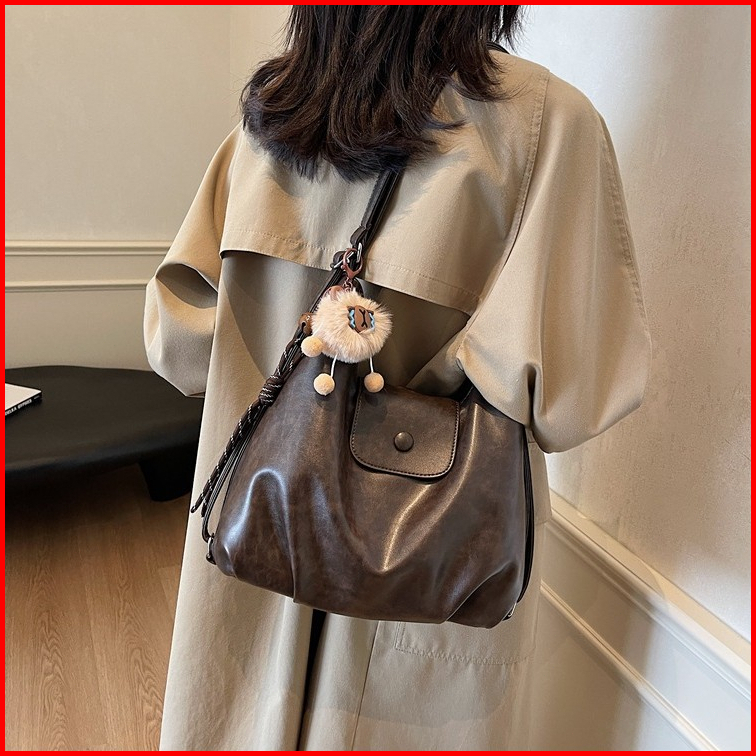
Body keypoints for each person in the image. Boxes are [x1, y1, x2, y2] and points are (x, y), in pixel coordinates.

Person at [143, 6, 652, 750]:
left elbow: (180, 345)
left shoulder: (271, 120)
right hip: (424, 569)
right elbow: (574, 396)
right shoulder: (547, 127)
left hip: (256, 537)